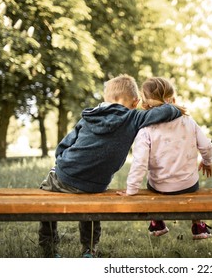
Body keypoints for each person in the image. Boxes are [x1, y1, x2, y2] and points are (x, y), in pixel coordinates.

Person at [39, 74, 182, 258]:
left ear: (106, 99)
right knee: (91, 208)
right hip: (95, 185)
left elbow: (64, 145)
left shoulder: (88, 117)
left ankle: (49, 251)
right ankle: (89, 250)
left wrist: (62, 163)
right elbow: (167, 112)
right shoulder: (133, 118)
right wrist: (172, 104)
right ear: (136, 101)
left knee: (45, 203)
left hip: (64, 175)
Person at [121, 77, 212, 240]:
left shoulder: (145, 128)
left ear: (146, 103)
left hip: (160, 186)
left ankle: (158, 222)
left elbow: (140, 163)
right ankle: (198, 226)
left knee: (152, 183)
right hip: (188, 184)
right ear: (172, 98)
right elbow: (206, 146)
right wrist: (207, 161)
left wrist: (131, 189)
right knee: (191, 183)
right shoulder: (188, 121)